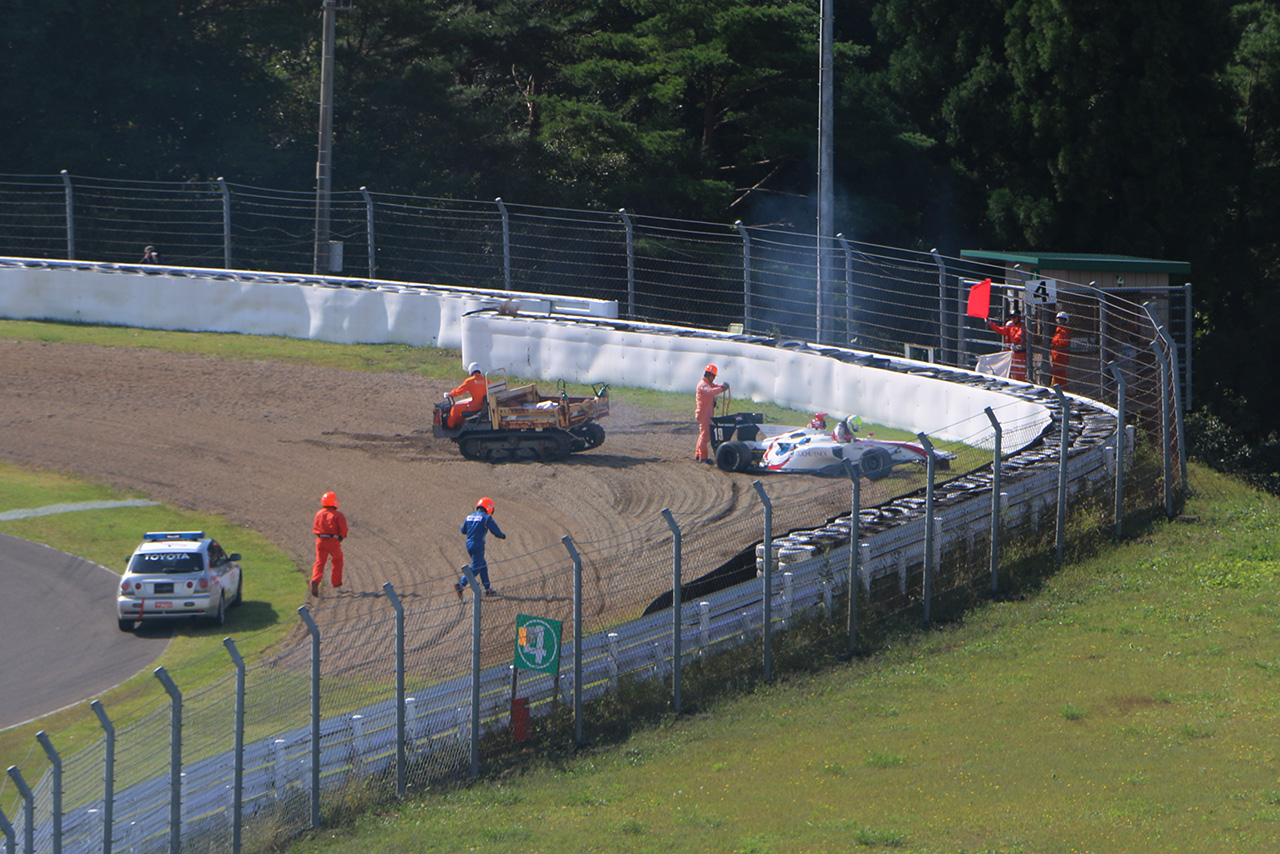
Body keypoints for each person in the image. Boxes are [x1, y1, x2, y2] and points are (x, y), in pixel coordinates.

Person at [455, 497, 505, 597]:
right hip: (478, 544)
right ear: (489, 507)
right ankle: (461, 584)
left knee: (483, 566)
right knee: (476, 568)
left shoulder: (469, 516)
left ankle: (487, 589)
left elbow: (463, 530)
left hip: (469, 544)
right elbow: (495, 531)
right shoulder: (486, 517)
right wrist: (502, 535)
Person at [312, 491, 349, 596]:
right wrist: (341, 537)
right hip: (333, 541)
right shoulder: (338, 515)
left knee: (319, 562)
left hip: (320, 540)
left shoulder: (319, 513)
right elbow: (344, 528)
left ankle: (315, 580)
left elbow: (315, 526)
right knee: (337, 560)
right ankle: (336, 583)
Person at [694, 363, 730, 463]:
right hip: (704, 413)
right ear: (709, 375)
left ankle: (698, 454)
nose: (714, 378)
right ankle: (703, 457)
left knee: (703, 435)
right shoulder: (703, 385)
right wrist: (721, 388)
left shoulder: (707, 383)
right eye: (713, 376)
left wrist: (722, 386)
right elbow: (710, 392)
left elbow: (715, 387)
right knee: (705, 436)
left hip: (706, 412)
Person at [988, 309, 1027, 381]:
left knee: (1021, 372)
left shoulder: (1022, 327)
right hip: (1014, 353)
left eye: (1014, 317)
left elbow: (1019, 335)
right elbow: (1000, 330)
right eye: (1011, 317)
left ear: (1019, 318)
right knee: (1014, 372)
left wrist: (1014, 342)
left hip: (1021, 353)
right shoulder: (1011, 327)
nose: (1013, 319)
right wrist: (991, 323)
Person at [446, 362, 488, 428]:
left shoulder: (469, 381)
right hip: (484, 405)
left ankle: (450, 426)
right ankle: (460, 424)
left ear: (470, 371)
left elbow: (459, 391)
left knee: (455, 408)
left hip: (475, 406)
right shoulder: (486, 380)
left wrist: (450, 394)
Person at [1050, 310, 1071, 388]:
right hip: (1056, 355)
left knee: (1060, 373)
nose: (1059, 321)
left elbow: (1063, 343)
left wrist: (1054, 344)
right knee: (1056, 373)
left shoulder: (1064, 331)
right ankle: (1056, 388)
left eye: (1061, 319)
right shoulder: (1058, 330)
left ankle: (1062, 389)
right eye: (1058, 319)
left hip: (1061, 356)